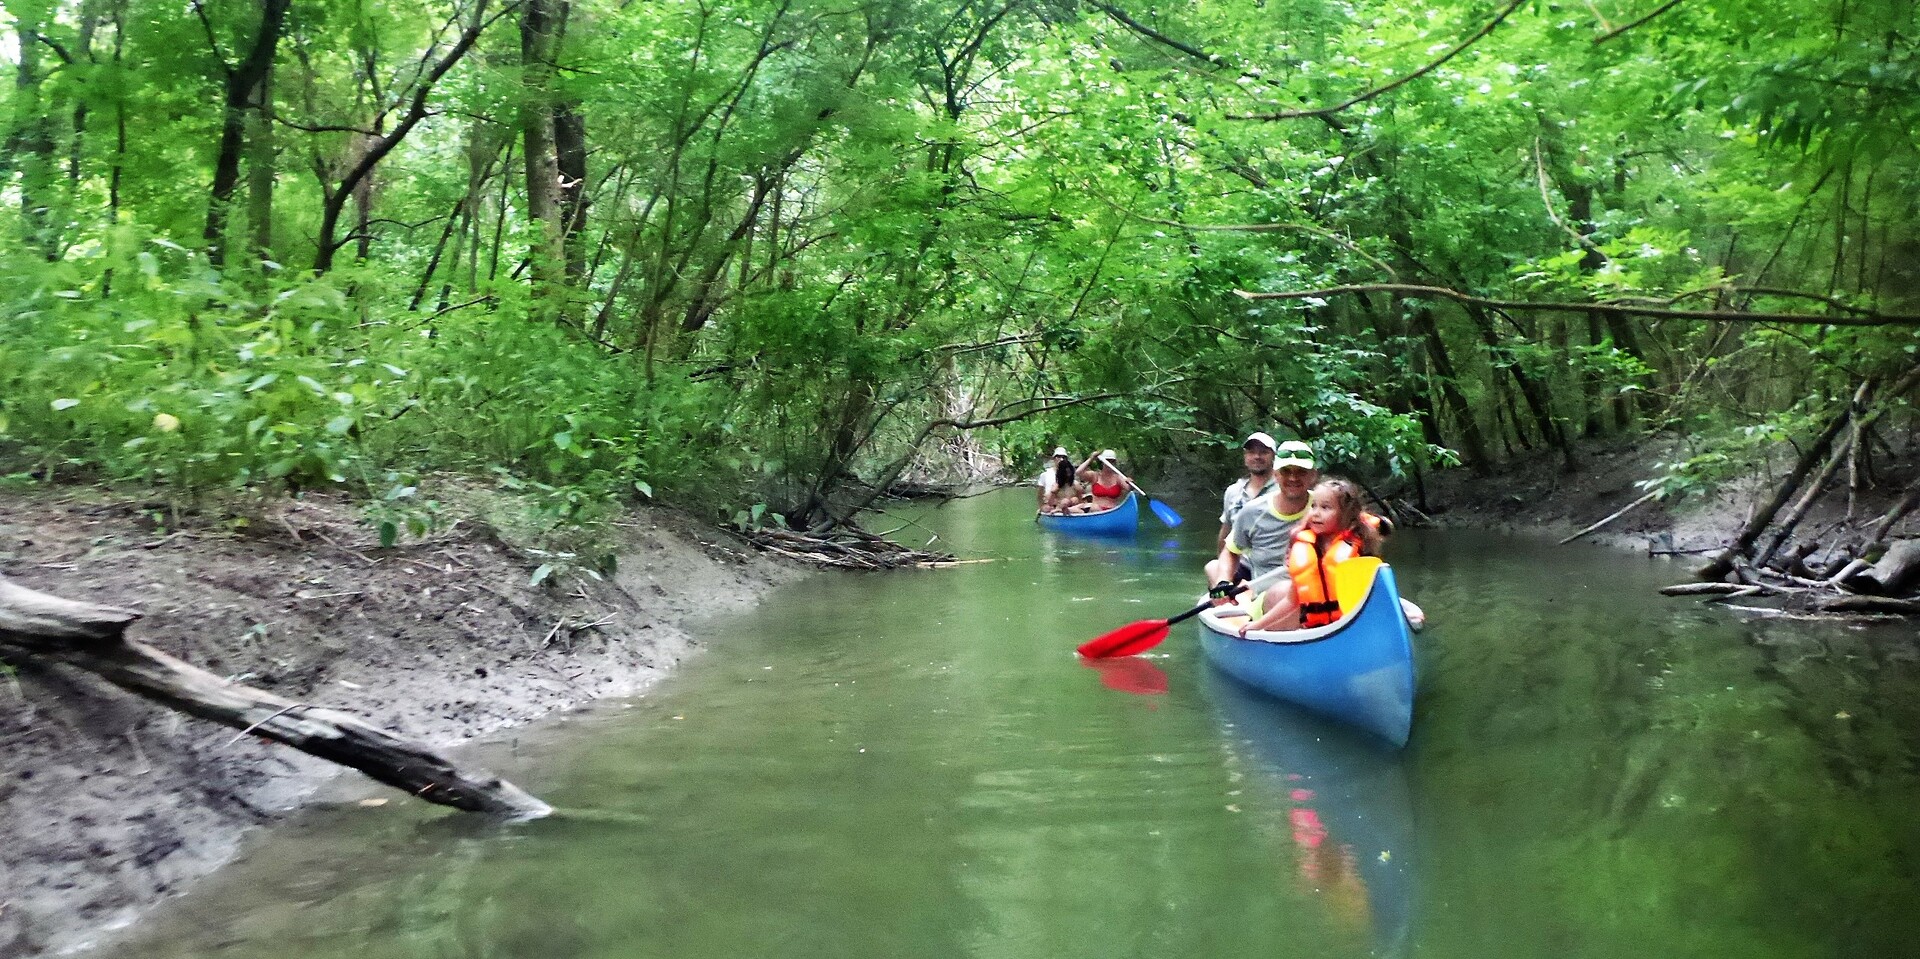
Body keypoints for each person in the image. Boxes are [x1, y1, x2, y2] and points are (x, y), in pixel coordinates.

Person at [1234, 477, 1383, 636]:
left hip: (1350, 626)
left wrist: (1405, 614)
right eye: (1313, 506)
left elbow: (1378, 592)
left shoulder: (1359, 549)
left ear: (1347, 513)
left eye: (1325, 508)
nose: (1316, 513)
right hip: (1315, 629)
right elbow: (1291, 600)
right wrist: (1258, 625)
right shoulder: (1307, 546)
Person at [1209, 438, 1320, 602]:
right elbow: (1231, 551)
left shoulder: (1325, 507)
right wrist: (1223, 581)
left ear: (1313, 475)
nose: (1293, 478)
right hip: (1267, 598)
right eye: (1286, 471)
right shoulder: (1252, 512)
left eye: (1301, 471)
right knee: (1284, 591)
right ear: (1276, 474)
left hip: (1316, 593)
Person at [1035, 447, 1082, 514]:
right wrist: (1041, 506)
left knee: (1073, 500)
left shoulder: (1071, 477)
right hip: (1052, 503)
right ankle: (1061, 509)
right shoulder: (1045, 474)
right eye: (1058, 456)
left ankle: (1068, 510)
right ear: (1054, 458)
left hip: (1068, 502)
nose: (1061, 459)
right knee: (1062, 502)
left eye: (1064, 457)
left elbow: (1079, 496)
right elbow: (1040, 495)